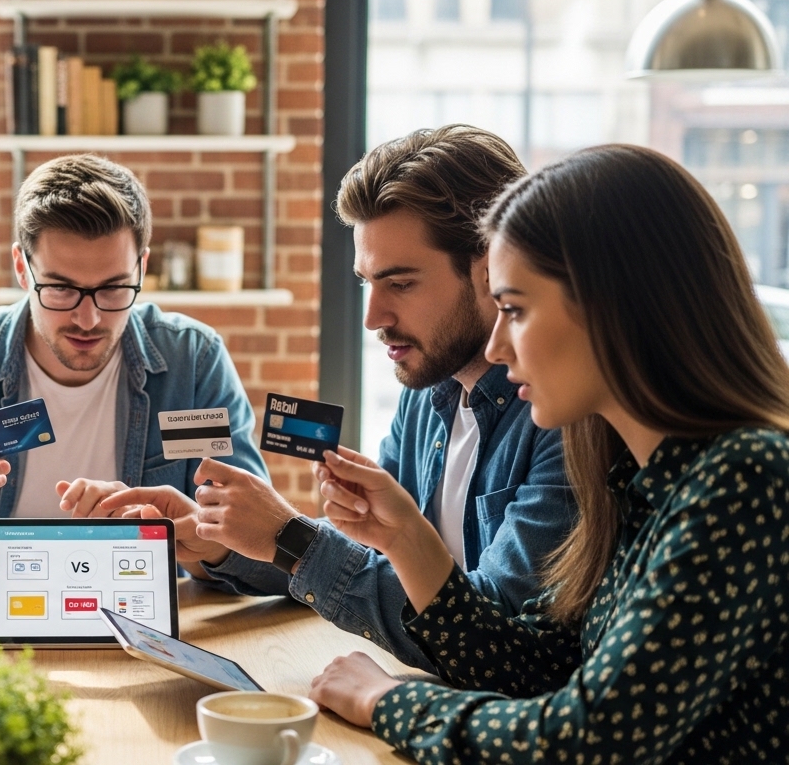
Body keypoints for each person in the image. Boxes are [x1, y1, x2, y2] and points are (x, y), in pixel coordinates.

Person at [309, 144, 789, 762]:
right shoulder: (642, 478)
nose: (499, 348)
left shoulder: (744, 478)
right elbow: (544, 666)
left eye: (514, 309)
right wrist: (405, 537)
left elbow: (587, 738)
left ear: (612, 306)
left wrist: (386, 701)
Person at [97, 126, 576, 671]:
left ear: (489, 265)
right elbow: (371, 562)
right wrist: (228, 543)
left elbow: (489, 637)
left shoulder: (562, 416)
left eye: (401, 284)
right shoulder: (428, 392)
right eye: (366, 283)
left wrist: (289, 536)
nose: (373, 318)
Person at [0, 153, 267, 577]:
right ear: (22, 269)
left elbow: (266, 552)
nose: (89, 319)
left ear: (143, 266)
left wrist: (198, 541)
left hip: (143, 623)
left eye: (115, 288)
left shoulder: (192, 362)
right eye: (61, 289)